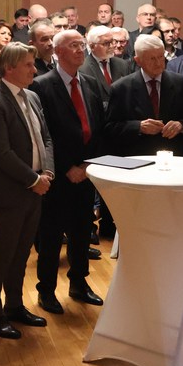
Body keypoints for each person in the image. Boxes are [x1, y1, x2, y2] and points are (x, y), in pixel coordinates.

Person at [0, 43, 53, 340]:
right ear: (9, 68)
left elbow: (45, 138)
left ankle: (14, 306)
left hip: (35, 188)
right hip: (10, 191)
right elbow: (0, 152)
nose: (34, 69)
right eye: (28, 65)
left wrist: (47, 172)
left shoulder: (31, 96)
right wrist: (33, 179)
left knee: (21, 254)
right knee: (2, 256)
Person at [31, 30, 106, 315]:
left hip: (86, 172)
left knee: (81, 231)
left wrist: (87, 165)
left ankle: (79, 283)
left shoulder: (89, 83)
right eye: (74, 45)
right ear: (58, 51)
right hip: (57, 175)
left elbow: (97, 127)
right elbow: (44, 134)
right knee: (51, 235)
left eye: (82, 45)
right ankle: (46, 290)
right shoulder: (42, 85)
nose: (80, 49)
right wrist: (65, 168)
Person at [105, 34, 183, 157]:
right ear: (138, 60)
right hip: (137, 157)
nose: (158, 63)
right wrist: (138, 127)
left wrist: (181, 125)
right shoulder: (122, 88)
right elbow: (110, 128)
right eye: (152, 59)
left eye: (160, 57)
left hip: (174, 156)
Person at [80, 25, 130, 101]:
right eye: (106, 43)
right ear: (92, 46)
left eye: (112, 41)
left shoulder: (122, 64)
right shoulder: (83, 69)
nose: (111, 46)